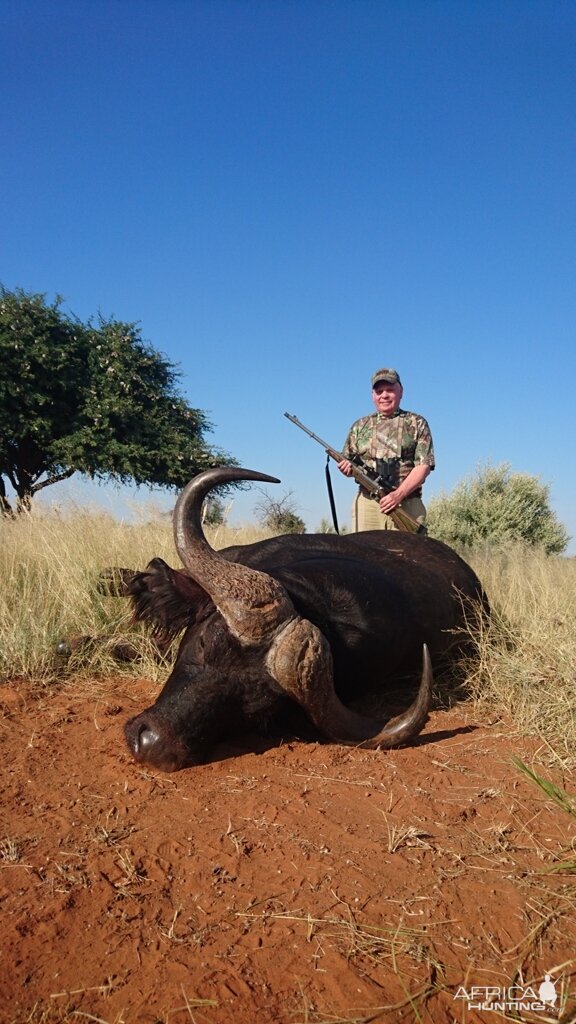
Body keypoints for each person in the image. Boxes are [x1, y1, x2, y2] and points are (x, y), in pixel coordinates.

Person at [338, 368, 435, 531]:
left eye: (390, 390)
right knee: (362, 555)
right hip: (367, 505)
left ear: (401, 391)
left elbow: (424, 466)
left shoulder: (417, 423)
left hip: (408, 503)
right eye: (379, 391)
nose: (384, 395)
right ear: (373, 395)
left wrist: (398, 495)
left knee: (409, 555)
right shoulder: (359, 426)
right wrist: (346, 469)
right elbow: (347, 462)